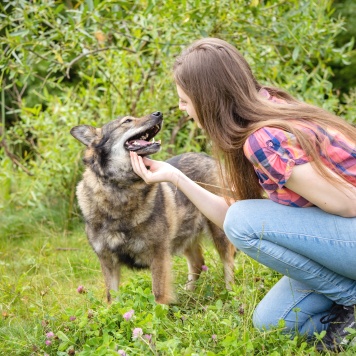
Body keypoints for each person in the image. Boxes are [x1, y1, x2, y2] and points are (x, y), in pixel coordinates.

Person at [130, 37, 356, 351]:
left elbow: (348, 203)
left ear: (208, 98)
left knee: (242, 218)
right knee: (274, 322)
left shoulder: (261, 139)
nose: (181, 108)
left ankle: (351, 299)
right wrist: (174, 176)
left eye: (184, 99)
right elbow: (235, 218)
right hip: (344, 238)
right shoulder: (264, 106)